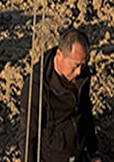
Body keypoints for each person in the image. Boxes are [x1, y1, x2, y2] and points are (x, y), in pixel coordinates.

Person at [19, 28, 101, 162]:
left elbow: (86, 112)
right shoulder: (37, 87)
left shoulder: (81, 76)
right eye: (75, 65)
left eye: (83, 64)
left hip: (79, 154)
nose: (80, 71)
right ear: (59, 54)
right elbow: (29, 137)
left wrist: (93, 152)